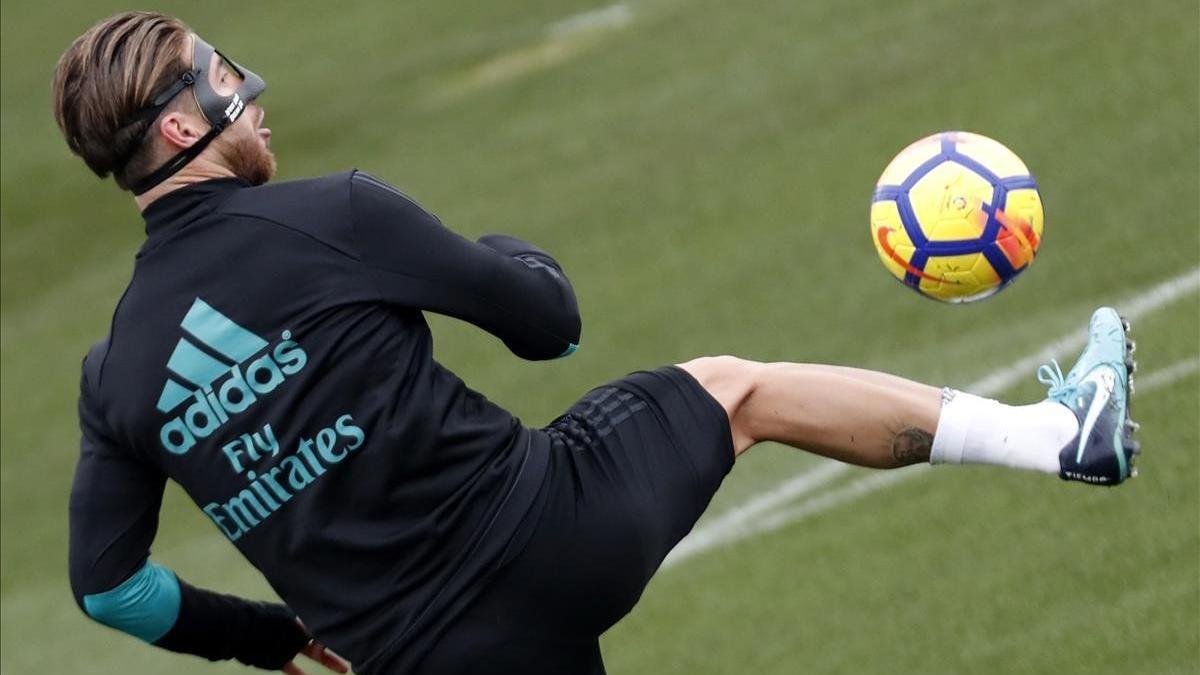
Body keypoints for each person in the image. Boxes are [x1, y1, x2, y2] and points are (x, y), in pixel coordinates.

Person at [52, 12, 1139, 675]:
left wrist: (274, 639)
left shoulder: (116, 373)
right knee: (737, 392)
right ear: (185, 128)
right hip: (552, 534)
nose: (252, 99)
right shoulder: (332, 213)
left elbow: (109, 591)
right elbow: (549, 328)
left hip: (416, 659)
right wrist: (515, 252)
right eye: (224, 81)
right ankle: (1058, 436)